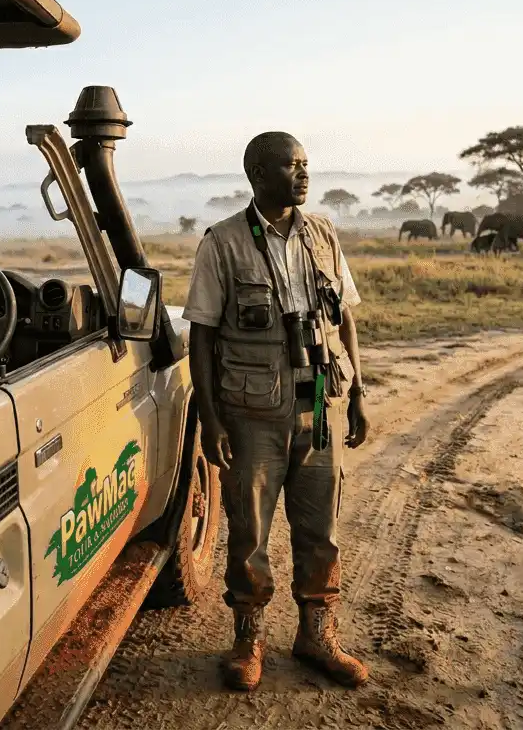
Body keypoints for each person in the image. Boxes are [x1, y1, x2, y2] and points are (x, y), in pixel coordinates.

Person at [182, 131, 370, 692]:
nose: (304, 174)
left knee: (321, 528)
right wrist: (211, 419)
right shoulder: (222, 243)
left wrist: (358, 393)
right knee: (249, 531)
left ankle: (317, 636)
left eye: (306, 164)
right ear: (258, 174)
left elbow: (345, 317)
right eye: (292, 165)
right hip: (253, 412)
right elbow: (201, 336)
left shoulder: (323, 234)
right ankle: (248, 641)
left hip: (322, 404)